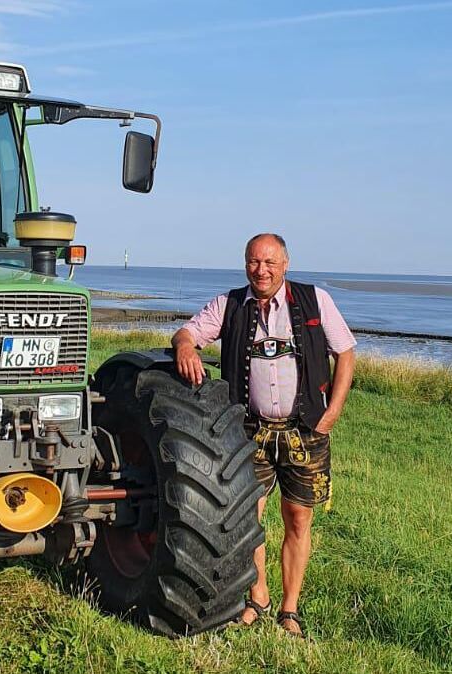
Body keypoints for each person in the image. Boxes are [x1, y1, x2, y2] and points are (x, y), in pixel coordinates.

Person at [171, 233, 356, 638]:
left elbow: (345, 352)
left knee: (298, 518)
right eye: (254, 262)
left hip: (305, 432)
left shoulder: (315, 300)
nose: (262, 270)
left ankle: (289, 610)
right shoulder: (230, 304)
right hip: (247, 432)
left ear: (285, 264)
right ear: (245, 265)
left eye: (270, 262)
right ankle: (258, 596)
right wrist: (185, 347)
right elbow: (187, 333)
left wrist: (333, 411)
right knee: (246, 520)